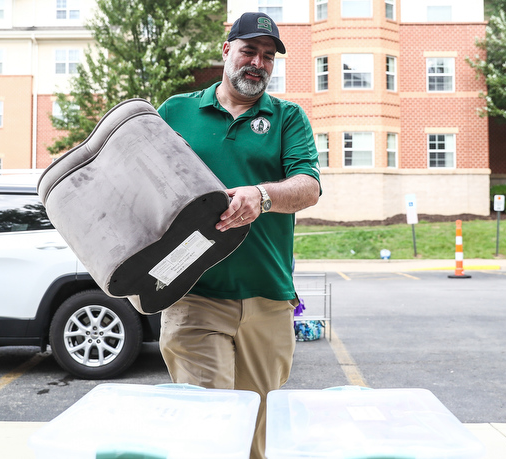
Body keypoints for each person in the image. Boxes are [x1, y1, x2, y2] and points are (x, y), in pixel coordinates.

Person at [156, 12, 321, 459]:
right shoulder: (175, 111)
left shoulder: (288, 118)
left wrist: (262, 196)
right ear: (226, 50)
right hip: (195, 296)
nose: (259, 63)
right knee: (209, 433)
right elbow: (146, 186)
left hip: (267, 298)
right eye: (249, 50)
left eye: (268, 56)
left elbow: (308, 186)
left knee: (255, 438)